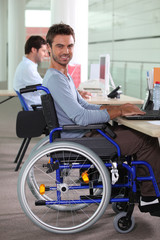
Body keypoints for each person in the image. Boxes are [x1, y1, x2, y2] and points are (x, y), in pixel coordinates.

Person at [42, 23, 160, 216]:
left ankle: (138, 190)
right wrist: (118, 110)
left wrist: (114, 109)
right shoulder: (56, 79)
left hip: (82, 134)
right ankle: (149, 198)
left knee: (135, 132)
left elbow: (84, 106)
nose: (66, 51)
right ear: (49, 48)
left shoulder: (63, 76)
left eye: (70, 46)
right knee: (145, 140)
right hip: (80, 138)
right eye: (60, 46)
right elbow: (80, 116)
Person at [13, 36, 48, 110]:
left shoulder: (28, 65)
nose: (45, 54)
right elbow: (45, 88)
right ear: (34, 50)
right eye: (43, 51)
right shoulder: (27, 67)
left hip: (39, 107)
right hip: (38, 109)